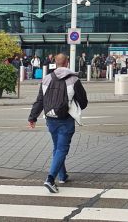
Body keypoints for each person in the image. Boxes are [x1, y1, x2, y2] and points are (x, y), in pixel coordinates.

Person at [28, 53, 88, 193]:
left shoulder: (46, 79)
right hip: (66, 119)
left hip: (50, 118)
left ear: (55, 63)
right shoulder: (73, 79)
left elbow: (40, 100)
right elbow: (84, 102)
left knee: (57, 147)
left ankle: (62, 175)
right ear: (67, 63)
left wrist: (32, 118)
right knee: (62, 149)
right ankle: (50, 179)